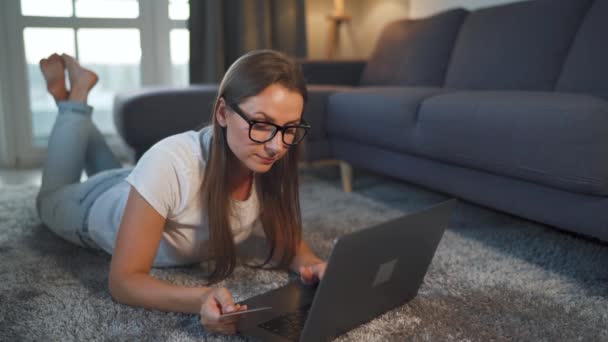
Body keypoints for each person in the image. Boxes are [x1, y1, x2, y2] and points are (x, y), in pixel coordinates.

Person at [36, 50, 327, 333]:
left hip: (141, 185)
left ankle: (73, 102)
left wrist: (313, 265)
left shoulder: (264, 158)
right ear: (223, 113)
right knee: (48, 198)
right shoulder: (171, 162)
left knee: (134, 176)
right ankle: (74, 98)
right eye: (262, 124)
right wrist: (199, 298)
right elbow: (124, 282)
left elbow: (289, 243)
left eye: (290, 128)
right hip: (91, 206)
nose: (277, 146)